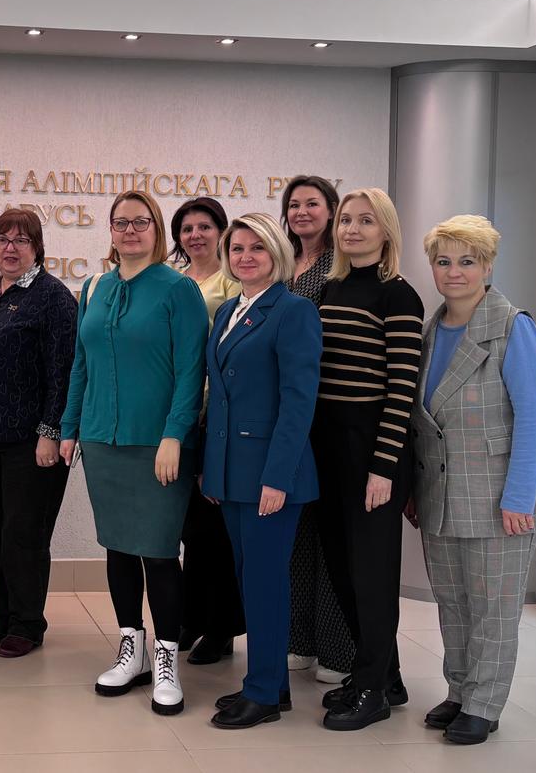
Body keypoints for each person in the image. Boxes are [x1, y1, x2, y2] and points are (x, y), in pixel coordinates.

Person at [60, 190, 208, 716]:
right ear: (110, 230)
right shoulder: (94, 287)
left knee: (160, 552)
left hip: (158, 443)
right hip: (101, 440)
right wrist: (70, 427)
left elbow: (191, 371)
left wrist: (175, 435)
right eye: (120, 223)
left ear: (156, 229)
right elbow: (81, 364)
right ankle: (132, 649)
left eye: (140, 222)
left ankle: (167, 657)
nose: (129, 231)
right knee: (118, 547)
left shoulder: (179, 289)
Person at [411, 215, 536, 745]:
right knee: (453, 604)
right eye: (444, 261)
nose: (454, 272)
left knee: (494, 609)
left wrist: (520, 497)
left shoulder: (514, 327)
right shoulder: (430, 331)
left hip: (499, 498)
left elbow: (535, 417)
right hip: (442, 496)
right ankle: (460, 689)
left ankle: (484, 704)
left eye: (467, 261)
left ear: (487, 266)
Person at [202, 213, 322, 729]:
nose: (245, 256)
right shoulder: (230, 310)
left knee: (265, 582)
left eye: (257, 247)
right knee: (250, 579)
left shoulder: (293, 311)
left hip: (271, 475)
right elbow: (221, 400)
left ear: (278, 252)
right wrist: (213, 472)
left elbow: (299, 402)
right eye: (237, 248)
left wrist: (278, 477)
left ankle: (264, 694)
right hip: (232, 473)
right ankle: (272, 683)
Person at [313, 187, 422, 731]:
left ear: (386, 231)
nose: (352, 229)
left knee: (372, 576)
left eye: (366, 221)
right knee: (342, 570)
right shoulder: (330, 289)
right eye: (346, 220)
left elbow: (402, 390)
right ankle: (384, 674)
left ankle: (373, 691)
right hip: (328, 447)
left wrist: (383, 467)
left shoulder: (398, 296)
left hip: (373, 451)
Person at [0, 208, 77, 658]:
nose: (10, 248)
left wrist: (51, 432)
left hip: (31, 441)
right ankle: (4, 614)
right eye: (2, 239)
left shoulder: (53, 298)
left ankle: (28, 622)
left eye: (21, 240)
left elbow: (63, 372)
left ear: (37, 247)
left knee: (24, 533)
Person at [281, 175, 355, 686]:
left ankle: (336, 648)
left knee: (330, 535)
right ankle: (298, 639)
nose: (302, 212)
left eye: (312, 203)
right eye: (294, 204)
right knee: (296, 531)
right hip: (286, 415)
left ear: (330, 210)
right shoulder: (283, 262)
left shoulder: (340, 267)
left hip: (327, 410)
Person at [169, 196, 245, 667]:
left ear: (221, 231)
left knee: (215, 528)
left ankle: (221, 628)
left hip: (217, 416)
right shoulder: (176, 281)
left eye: (204, 227)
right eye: (186, 228)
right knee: (185, 526)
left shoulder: (234, 282)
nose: (195, 235)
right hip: (179, 415)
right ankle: (191, 616)